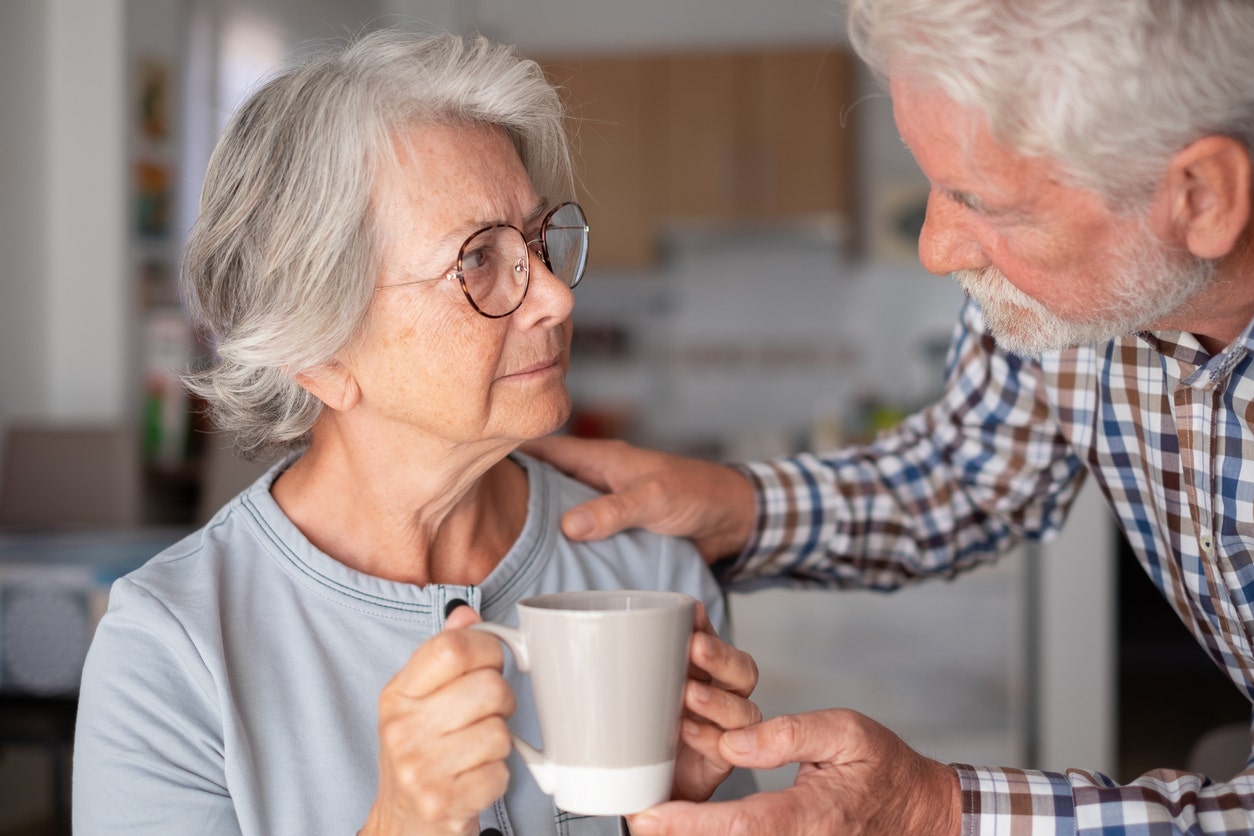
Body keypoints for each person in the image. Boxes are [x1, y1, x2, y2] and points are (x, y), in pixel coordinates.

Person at [526, 0, 1254, 833]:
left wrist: (935, 810)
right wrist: (739, 507)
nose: (937, 248)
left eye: (983, 201)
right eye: (933, 182)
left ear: (1201, 197)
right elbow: (972, 468)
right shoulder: (1076, 302)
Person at [72, 31, 759, 836]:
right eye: (477, 261)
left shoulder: (652, 573)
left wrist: (668, 815)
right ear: (320, 354)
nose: (555, 300)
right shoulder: (172, 649)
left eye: (538, 243)